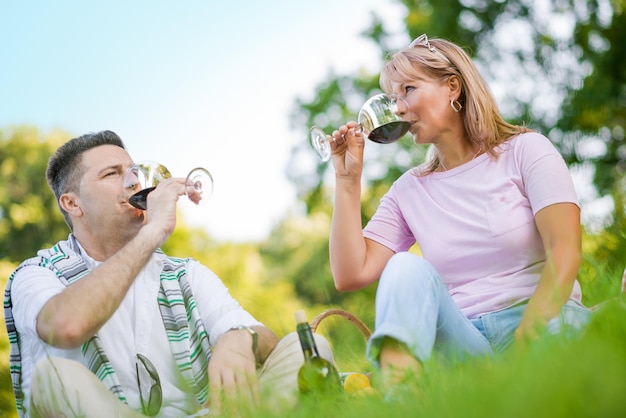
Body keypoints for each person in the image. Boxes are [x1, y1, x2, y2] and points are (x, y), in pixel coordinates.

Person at [4, 130, 334, 417]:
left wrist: (239, 339)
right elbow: (65, 326)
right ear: (73, 204)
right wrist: (152, 234)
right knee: (55, 378)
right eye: (112, 174)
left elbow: (267, 342)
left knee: (310, 348)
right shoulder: (35, 274)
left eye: (132, 171)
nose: (133, 181)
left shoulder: (184, 274)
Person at [326, 34, 591, 389]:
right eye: (393, 98)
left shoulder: (526, 151)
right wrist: (347, 181)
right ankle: (398, 396)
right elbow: (350, 274)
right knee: (405, 266)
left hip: (544, 321)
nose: (399, 108)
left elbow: (565, 250)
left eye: (408, 90)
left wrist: (531, 330)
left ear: (452, 87)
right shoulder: (409, 189)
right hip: (465, 340)